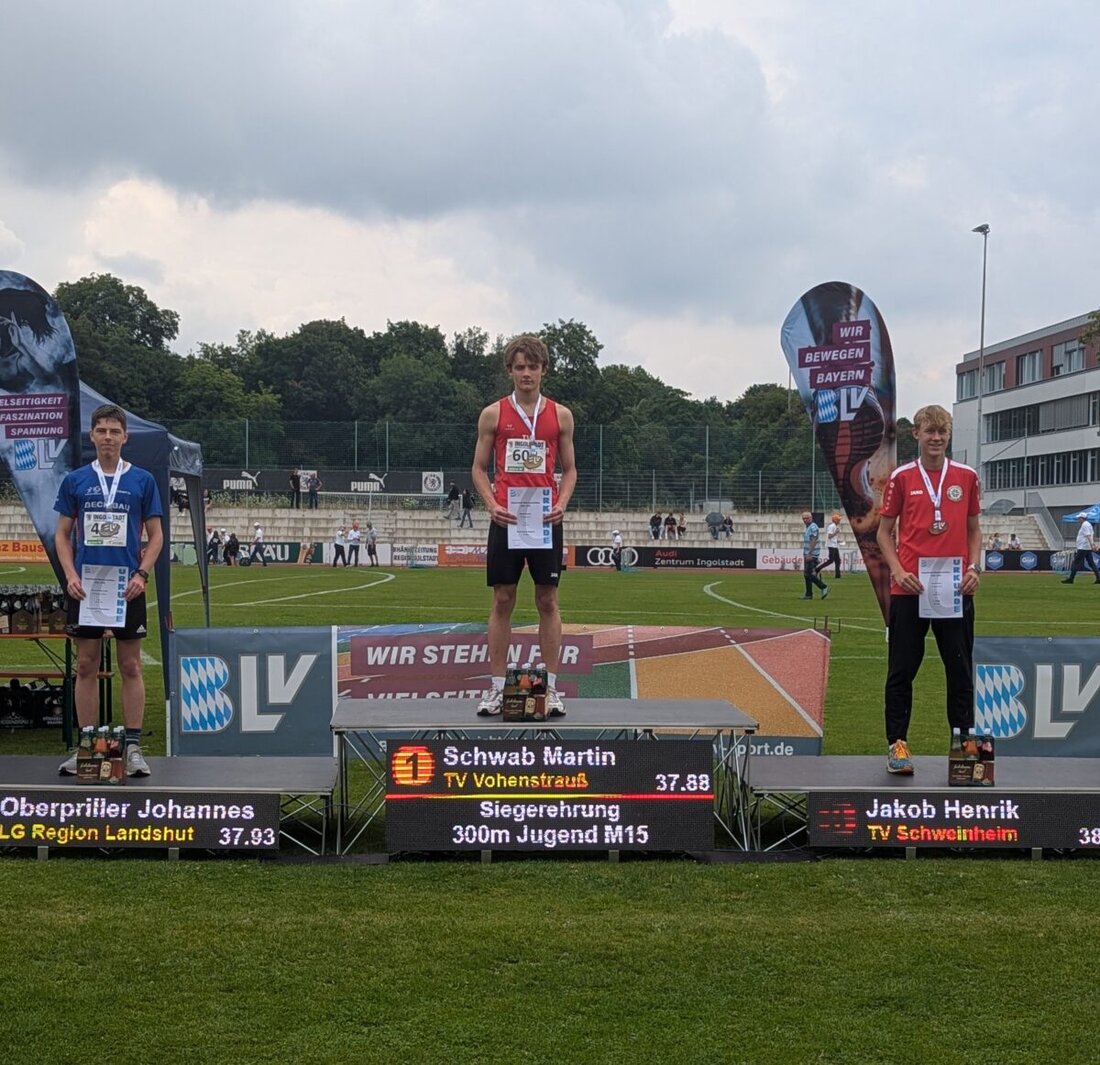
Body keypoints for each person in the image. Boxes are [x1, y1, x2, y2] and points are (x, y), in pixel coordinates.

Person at [54, 403, 163, 777]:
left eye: (114, 431)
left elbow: (157, 535)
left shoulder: (142, 481)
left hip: (127, 586)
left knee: (130, 665)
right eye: (101, 430)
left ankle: (132, 747)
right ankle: (87, 747)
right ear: (92, 435)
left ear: (125, 437)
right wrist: (69, 574)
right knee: (85, 665)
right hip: (87, 586)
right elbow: (62, 534)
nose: (108, 437)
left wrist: (143, 574)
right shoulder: (76, 481)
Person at [472, 334, 576, 718]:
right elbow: (479, 469)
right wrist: (492, 504)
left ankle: (550, 687)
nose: (526, 374)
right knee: (502, 600)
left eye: (533, 367)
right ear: (510, 371)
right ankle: (497, 688)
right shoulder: (493, 414)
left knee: (547, 601)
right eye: (519, 367)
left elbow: (570, 469)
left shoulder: (560, 415)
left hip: (545, 517)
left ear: (543, 370)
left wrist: (562, 502)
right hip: (508, 516)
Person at [877, 404, 982, 775]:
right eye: (929, 431)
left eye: (942, 431)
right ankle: (898, 747)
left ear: (948, 435)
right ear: (916, 434)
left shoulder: (967, 476)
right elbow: (882, 532)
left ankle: (966, 752)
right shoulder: (902, 477)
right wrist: (898, 570)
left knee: (961, 672)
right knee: (902, 670)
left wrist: (973, 567)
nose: (936, 438)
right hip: (911, 590)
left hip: (954, 589)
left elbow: (973, 530)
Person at [1061, 513, 1100, 585]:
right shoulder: (1089, 525)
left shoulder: (1085, 525)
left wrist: (1092, 544)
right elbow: (1091, 536)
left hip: (1083, 547)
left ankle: (1071, 579)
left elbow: (1088, 536)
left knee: (1075, 563)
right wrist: (1093, 545)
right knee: (1091, 563)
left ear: (1082, 518)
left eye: (1079, 518)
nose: (1078, 519)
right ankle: (1098, 578)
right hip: (1086, 547)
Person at [800, 512, 830, 600]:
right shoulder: (808, 527)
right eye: (804, 518)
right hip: (807, 553)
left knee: (809, 574)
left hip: (812, 554)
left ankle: (823, 586)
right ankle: (808, 594)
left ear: (811, 518)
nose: (805, 520)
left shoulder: (813, 527)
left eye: (807, 518)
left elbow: (813, 540)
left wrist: (810, 554)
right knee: (806, 574)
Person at [815, 512, 843, 579]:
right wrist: (836, 532)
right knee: (831, 560)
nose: (839, 520)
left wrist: (838, 541)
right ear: (835, 520)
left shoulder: (834, 526)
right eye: (838, 519)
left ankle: (838, 575)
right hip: (831, 545)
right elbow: (829, 536)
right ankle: (817, 569)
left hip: (834, 545)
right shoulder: (832, 526)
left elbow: (832, 537)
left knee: (837, 561)